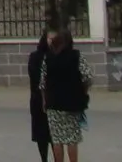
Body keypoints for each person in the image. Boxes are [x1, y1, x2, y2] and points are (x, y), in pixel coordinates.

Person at [40, 29, 93, 162]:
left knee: (57, 139)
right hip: (73, 104)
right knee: (72, 139)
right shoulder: (77, 56)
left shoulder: (48, 58)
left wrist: (44, 101)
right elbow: (87, 77)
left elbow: (42, 83)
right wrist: (84, 91)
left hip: (53, 103)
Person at [28, 29, 52, 162]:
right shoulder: (37, 57)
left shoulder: (56, 56)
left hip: (46, 99)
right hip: (41, 99)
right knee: (45, 134)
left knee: (50, 134)